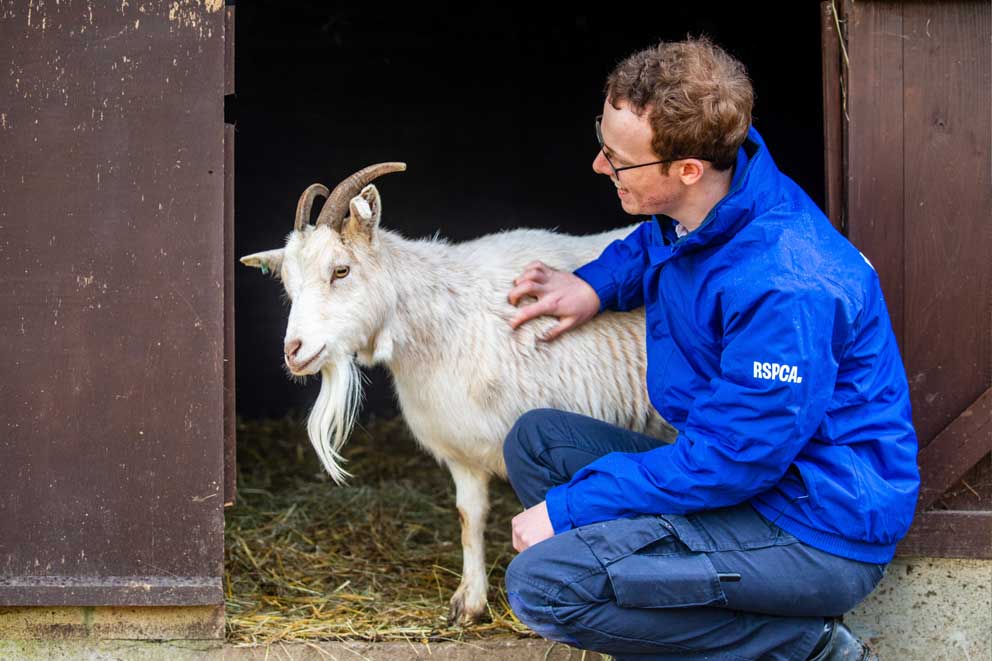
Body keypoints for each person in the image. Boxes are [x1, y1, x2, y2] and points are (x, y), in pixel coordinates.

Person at [502, 37, 919, 661]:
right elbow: (660, 240)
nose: (598, 165)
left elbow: (728, 461)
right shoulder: (720, 196)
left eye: (618, 159)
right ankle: (664, 580)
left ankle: (805, 647)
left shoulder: (788, 285)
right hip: (753, 479)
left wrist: (570, 510)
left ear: (687, 169)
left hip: (813, 527)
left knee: (544, 586)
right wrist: (593, 284)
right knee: (537, 442)